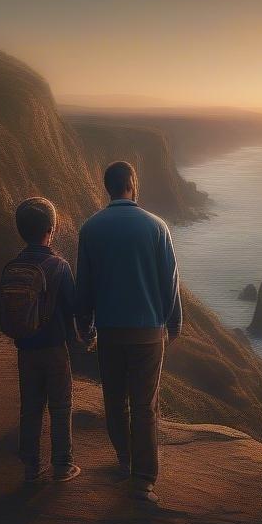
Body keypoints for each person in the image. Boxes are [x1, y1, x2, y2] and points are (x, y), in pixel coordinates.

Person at [76, 161, 182, 503]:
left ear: (107, 187)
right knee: (144, 406)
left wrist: (85, 325)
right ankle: (144, 481)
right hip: (148, 332)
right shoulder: (157, 227)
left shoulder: (90, 228)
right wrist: (173, 321)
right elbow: (170, 282)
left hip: (109, 331)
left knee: (115, 402)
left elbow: (85, 285)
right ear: (132, 184)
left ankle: (125, 459)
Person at [6, 197, 92, 483]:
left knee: (30, 407)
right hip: (54, 349)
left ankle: (31, 466)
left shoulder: (14, 266)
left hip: (25, 348)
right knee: (60, 405)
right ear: (51, 230)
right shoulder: (59, 266)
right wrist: (84, 334)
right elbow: (73, 308)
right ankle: (62, 464)